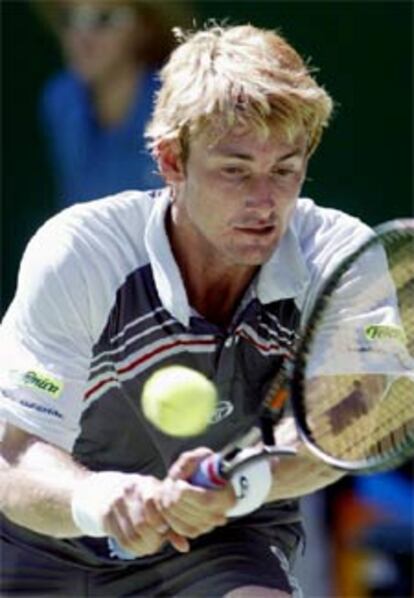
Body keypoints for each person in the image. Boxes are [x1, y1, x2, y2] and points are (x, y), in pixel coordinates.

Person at [0, 23, 398, 597]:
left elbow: (342, 432)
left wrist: (238, 482)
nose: (264, 201)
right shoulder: (80, 253)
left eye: (284, 169)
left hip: (225, 544)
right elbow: (15, 457)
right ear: (171, 161)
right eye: (235, 170)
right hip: (44, 544)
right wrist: (106, 501)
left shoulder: (342, 258)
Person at [36, 0, 191, 207]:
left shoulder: (182, 103)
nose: (82, 38)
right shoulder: (61, 100)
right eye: (70, 18)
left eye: (103, 19)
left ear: (144, 27)